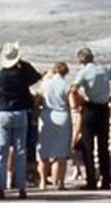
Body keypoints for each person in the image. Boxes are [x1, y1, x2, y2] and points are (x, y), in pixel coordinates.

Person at [0, 42, 41, 200]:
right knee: (20, 151)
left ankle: (1, 188)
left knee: (2, 151)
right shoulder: (23, 73)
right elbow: (37, 76)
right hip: (20, 112)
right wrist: (21, 62)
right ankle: (21, 188)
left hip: (4, 112)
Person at [70, 48, 111, 191]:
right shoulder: (104, 69)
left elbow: (73, 89)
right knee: (103, 145)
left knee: (88, 146)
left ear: (81, 60)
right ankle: (106, 179)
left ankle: (91, 179)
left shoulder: (84, 72)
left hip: (90, 107)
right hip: (103, 107)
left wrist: (79, 101)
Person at [36, 63, 72, 191]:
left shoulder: (45, 84)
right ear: (66, 72)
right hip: (62, 115)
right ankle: (59, 182)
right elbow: (72, 103)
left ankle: (42, 182)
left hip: (47, 115)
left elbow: (37, 100)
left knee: (43, 152)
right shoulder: (66, 85)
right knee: (60, 153)